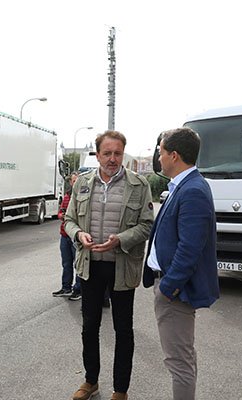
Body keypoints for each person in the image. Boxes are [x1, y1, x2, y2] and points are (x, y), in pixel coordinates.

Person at [64, 130, 154, 400]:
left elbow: (147, 224)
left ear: (123, 154)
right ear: (97, 154)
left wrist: (120, 240)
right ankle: (91, 381)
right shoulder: (82, 183)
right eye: (107, 153)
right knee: (89, 326)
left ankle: (120, 390)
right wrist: (79, 235)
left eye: (118, 153)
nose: (113, 159)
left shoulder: (139, 184)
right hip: (90, 267)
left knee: (123, 330)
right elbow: (69, 221)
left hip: (122, 267)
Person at [143, 127, 220, 400]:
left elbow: (190, 249)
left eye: (161, 152)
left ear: (174, 155)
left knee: (178, 361)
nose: (159, 158)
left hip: (174, 292)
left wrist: (169, 288)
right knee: (183, 356)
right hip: (169, 286)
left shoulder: (193, 190)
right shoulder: (184, 185)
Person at [53, 171, 82, 300]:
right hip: (65, 234)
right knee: (66, 263)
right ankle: (66, 287)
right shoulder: (67, 196)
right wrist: (62, 216)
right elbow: (60, 212)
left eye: (77, 181)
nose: (74, 183)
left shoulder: (83, 196)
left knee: (79, 264)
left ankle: (78, 290)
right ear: (70, 182)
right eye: (73, 181)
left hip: (76, 236)